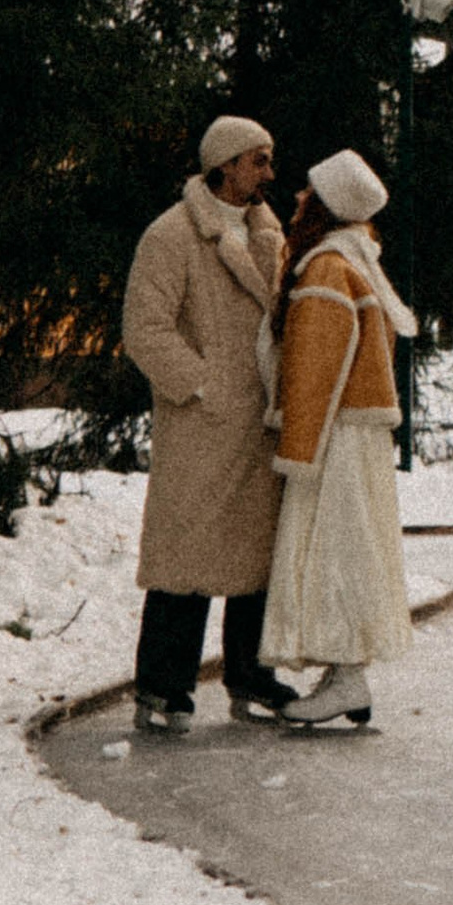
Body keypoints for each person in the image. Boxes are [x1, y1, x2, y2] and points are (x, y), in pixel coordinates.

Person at [119, 115, 304, 736]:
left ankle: (250, 674)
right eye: (259, 160)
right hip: (202, 426)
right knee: (187, 556)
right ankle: (163, 685)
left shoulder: (267, 232)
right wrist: (202, 385)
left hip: (258, 423)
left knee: (256, 555)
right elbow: (145, 329)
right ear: (224, 164)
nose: (270, 173)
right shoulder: (172, 236)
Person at [260, 148, 419, 728]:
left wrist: (297, 447)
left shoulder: (327, 269)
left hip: (334, 436)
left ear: (326, 208)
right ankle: (344, 674)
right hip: (355, 434)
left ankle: (346, 674)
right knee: (352, 547)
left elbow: (314, 367)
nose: (298, 198)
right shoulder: (357, 262)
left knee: (332, 552)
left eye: (309, 192)